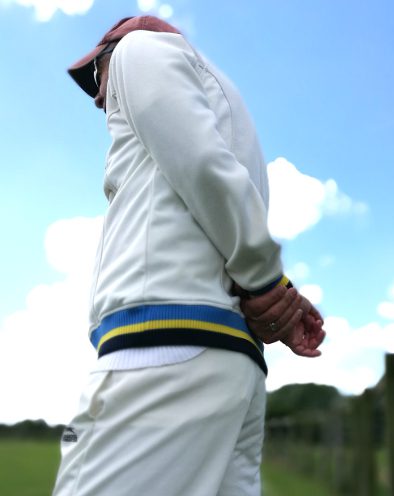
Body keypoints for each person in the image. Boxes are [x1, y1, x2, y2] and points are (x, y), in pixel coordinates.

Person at [54, 15, 325, 496]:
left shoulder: (141, 50)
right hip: (229, 362)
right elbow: (226, 199)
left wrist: (267, 283)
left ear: (115, 47)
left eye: (97, 72)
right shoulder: (226, 105)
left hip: (162, 350)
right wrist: (276, 293)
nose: (98, 96)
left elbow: (204, 167)